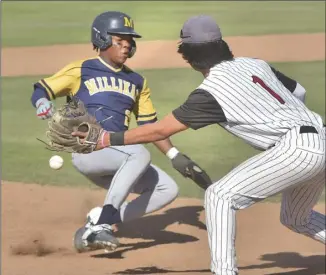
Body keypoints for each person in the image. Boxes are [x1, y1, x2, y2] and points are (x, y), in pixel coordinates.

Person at [74, 15, 326, 274]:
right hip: (321, 139)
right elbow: (299, 92)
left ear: (188, 56)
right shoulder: (256, 64)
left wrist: (106, 139)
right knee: (297, 218)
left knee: (219, 196)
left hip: (297, 149)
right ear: (222, 44)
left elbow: (160, 130)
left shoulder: (210, 92)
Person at [30, 11, 206, 252]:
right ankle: (103, 223)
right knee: (139, 154)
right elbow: (41, 89)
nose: (126, 47)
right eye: (120, 42)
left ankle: (98, 222)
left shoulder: (137, 82)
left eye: (130, 43)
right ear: (102, 40)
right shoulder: (82, 69)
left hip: (119, 155)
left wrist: (175, 155)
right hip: (89, 149)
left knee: (167, 189)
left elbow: (149, 127)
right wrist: (41, 102)